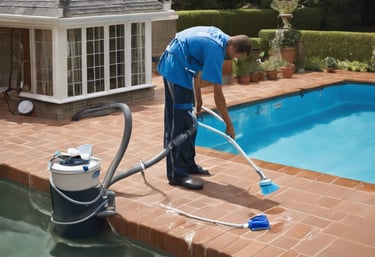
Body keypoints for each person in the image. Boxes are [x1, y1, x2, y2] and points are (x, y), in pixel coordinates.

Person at [157, 26, 251, 190]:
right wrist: (229, 124)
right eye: (236, 56)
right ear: (233, 48)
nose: (233, 59)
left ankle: (188, 164)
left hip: (184, 66)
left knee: (191, 122)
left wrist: (198, 96)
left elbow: (197, 62)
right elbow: (218, 96)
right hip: (175, 67)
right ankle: (176, 174)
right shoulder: (216, 50)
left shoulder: (223, 39)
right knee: (178, 123)